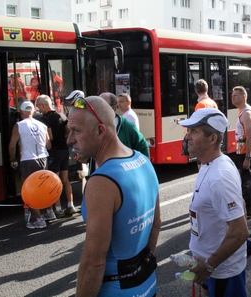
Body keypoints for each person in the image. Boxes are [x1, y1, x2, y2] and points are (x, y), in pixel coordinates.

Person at [68, 96, 161, 297]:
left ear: (100, 130)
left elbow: (94, 263)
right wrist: (136, 271)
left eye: (76, 131)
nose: (69, 139)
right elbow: (156, 224)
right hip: (146, 284)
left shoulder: (102, 181)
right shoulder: (144, 161)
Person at [179, 108, 250, 297]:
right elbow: (239, 204)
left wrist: (208, 266)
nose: (187, 137)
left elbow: (240, 231)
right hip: (211, 268)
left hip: (221, 273)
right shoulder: (207, 164)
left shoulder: (220, 177)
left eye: (194, 131)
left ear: (212, 139)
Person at [8, 101, 53, 229]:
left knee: (29, 191)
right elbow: (48, 145)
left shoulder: (19, 125)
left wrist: (12, 159)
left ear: (22, 113)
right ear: (32, 112)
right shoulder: (42, 124)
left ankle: (39, 220)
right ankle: (49, 212)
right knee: (44, 187)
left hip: (28, 160)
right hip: (43, 158)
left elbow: (12, 145)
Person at [36, 95, 76, 217]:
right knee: (65, 179)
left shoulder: (44, 119)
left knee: (54, 181)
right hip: (64, 150)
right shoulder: (62, 115)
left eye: (39, 107)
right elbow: (68, 132)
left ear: (43, 105)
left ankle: (58, 209)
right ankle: (70, 205)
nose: (39, 110)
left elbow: (50, 137)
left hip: (54, 152)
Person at [100, 92, 150, 158]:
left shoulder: (129, 116)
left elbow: (139, 143)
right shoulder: (125, 115)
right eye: (118, 102)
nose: (119, 104)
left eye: (121, 102)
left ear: (128, 103)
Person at [231, 86, 251, 171]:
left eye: (235, 95)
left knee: (246, 180)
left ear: (243, 97)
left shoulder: (246, 113)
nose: (233, 98)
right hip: (242, 150)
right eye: (232, 96)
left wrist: (247, 158)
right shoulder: (242, 110)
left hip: (245, 151)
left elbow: (249, 137)